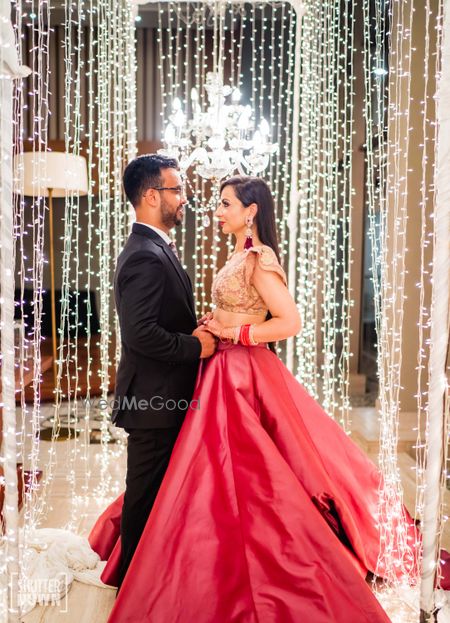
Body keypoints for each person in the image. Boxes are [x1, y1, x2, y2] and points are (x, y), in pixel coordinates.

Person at [89, 176, 420, 622]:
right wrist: (217, 320)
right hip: (220, 366)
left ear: (251, 211)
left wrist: (234, 332)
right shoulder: (239, 255)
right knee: (212, 469)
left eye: (226, 204)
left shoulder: (260, 257)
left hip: (240, 369)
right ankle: (201, 554)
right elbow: (239, 306)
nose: (217, 211)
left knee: (249, 470)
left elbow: (289, 321)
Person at [110, 154, 216, 589]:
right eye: (178, 190)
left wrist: (196, 326)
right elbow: (141, 335)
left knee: (161, 496)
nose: (184, 199)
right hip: (154, 400)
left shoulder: (153, 248)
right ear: (152, 195)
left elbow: (161, 319)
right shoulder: (144, 256)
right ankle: (133, 592)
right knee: (145, 500)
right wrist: (197, 346)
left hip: (162, 395)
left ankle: (153, 582)